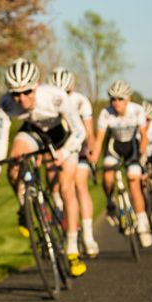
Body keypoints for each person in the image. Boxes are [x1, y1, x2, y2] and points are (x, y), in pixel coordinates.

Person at [0, 59, 88, 277]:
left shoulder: (55, 96)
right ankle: (25, 207)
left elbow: (79, 132)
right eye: (16, 94)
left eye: (27, 92)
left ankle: (72, 250)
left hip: (62, 138)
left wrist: (64, 153)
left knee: (66, 189)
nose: (22, 99)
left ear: (37, 85)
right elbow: (1, 139)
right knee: (14, 164)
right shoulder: (5, 104)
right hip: (32, 132)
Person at [90, 79, 152, 247]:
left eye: (120, 99)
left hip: (132, 148)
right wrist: (94, 158)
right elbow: (99, 140)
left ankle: (142, 223)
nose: (116, 102)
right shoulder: (106, 113)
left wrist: (142, 154)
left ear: (128, 99)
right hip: (114, 147)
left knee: (133, 181)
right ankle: (111, 202)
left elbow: (144, 136)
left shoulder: (137, 110)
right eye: (113, 99)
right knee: (108, 176)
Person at [48, 67, 98, 257]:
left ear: (72, 88)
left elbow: (89, 132)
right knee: (54, 184)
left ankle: (88, 237)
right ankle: (65, 220)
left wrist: (91, 150)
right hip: (58, 147)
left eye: (66, 92)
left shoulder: (80, 101)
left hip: (79, 146)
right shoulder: (50, 101)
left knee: (80, 185)